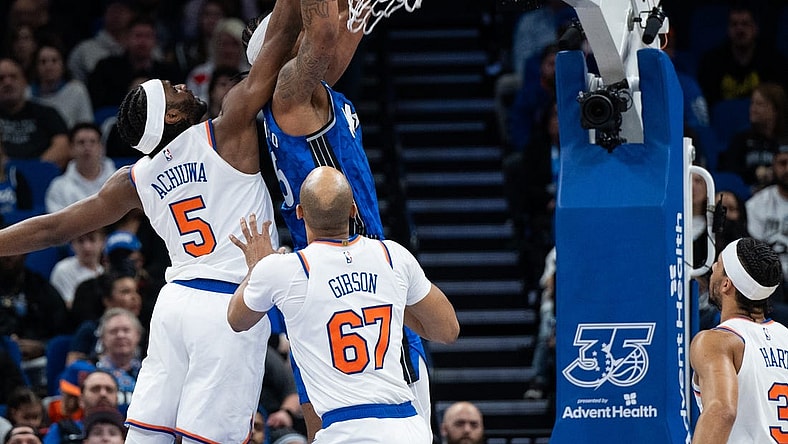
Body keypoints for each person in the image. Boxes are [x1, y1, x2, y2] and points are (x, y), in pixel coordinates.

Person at [0, 1, 299, 440]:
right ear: (172, 117)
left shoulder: (134, 179)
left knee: (146, 436)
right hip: (229, 305)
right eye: (174, 89)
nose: (182, 85)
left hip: (174, 305)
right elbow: (274, 52)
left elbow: (52, 228)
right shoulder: (229, 127)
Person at [243, 1, 436, 435]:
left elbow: (346, 25)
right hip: (354, 268)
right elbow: (327, 33)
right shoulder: (290, 95)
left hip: (322, 285)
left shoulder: (308, 93)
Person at [227, 166, 460, 443]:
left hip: (344, 429)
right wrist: (388, 299)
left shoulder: (284, 270)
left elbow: (236, 319)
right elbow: (447, 331)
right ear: (353, 210)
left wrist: (255, 267)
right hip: (407, 427)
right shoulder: (392, 256)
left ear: (299, 213)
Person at [689, 237, 785, 443]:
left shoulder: (716, 342)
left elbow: (722, 411)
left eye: (720, 264)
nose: (713, 266)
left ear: (726, 285)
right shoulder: (785, 336)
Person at [696, 4, 788, 108]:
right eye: (734, 24)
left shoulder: (774, 61)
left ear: (756, 29)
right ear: (728, 30)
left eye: (745, 24)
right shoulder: (711, 62)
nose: (739, 29)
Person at [0, 58, 70, 169]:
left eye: (13, 77)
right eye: (1, 78)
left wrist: (34, 169)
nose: (7, 82)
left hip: (41, 176)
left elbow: (62, 146)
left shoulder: (47, 113)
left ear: (24, 82)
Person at [717, 82, 786, 193]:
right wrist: (754, 172)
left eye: (759, 104)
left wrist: (773, 173)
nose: (753, 109)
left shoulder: (784, 141)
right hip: (748, 198)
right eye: (752, 103)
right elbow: (729, 170)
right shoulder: (741, 139)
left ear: (775, 110)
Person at [44, 123, 117, 214]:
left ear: (101, 147)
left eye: (92, 142)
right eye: (81, 142)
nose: (87, 147)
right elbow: (56, 223)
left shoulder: (118, 181)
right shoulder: (58, 187)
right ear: (71, 148)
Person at [745, 145, 788, 290]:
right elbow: (755, 251)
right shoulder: (757, 204)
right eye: (783, 163)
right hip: (772, 278)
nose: (787, 169)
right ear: (773, 166)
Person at [43, 369, 120, 444]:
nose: (103, 394)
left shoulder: (129, 429)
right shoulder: (61, 430)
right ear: (81, 400)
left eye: (109, 389)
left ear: (117, 399)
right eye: (95, 389)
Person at [66, 0, 134, 84]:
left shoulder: (142, 48)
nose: (117, 15)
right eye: (113, 9)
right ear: (105, 13)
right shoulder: (84, 50)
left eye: (121, 10)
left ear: (131, 14)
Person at [28, 42, 94, 130]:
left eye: (54, 61)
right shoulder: (26, 93)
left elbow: (86, 125)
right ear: (36, 67)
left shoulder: (77, 90)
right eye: (43, 62)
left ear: (63, 65)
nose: (49, 66)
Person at [49, 229, 105, 309]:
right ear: (72, 244)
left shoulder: (104, 272)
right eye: (80, 241)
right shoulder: (63, 269)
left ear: (102, 242)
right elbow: (68, 305)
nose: (87, 247)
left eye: (92, 240)